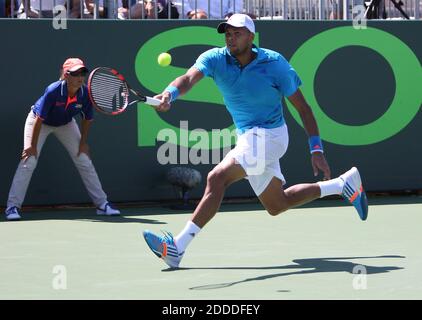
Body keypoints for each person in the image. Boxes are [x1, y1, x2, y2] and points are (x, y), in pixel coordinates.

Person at [143, 14, 369, 268]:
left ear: (251, 37)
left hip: (271, 136)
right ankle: (343, 185)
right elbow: (187, 79)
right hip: (248, 137)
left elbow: (304, 109)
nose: (231, 38)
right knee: (277, 204)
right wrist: (170, 94)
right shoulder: (215, 58)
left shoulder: (275, 64)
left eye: (237, 33)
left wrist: (316, 149)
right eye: (227, 33)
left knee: (217, 178)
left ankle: (178, 246)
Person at [4, 58, 120, 221]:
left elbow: (87, 119)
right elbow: (39, 119)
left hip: (66, 124)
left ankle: (102, 204)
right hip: (39, 122)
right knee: (28, 161)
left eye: (83, 73)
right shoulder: (53, 90)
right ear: (66, 75)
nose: (80, 77)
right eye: (75, 73)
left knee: (84, 160)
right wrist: (31, 146)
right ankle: (12, 207)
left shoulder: (85, 93)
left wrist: (83, 143)